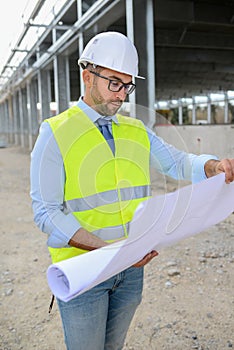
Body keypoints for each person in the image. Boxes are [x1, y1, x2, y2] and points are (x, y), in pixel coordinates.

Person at [30, 31, 234, 350]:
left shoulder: (136, 130)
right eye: (114, 82)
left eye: (127, 85)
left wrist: (213, 167)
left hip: (129, 270)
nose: (122, 94)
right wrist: (108, 251)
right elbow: (46, 213)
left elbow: (177, 163)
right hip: (84, 271)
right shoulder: (55, 133)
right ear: (87, 76)